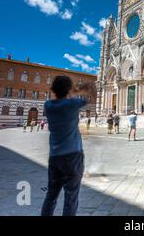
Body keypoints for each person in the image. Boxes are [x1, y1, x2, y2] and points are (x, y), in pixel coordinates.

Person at [41, 75, 96, 216]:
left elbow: (60, 99)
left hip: (54, 157)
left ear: (53, 89)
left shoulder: (48, 106)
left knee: (51, 196)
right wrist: (76, 90)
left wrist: (69, 92)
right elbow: (91, 94)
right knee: (71, 197)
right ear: (68, 90)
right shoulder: (72, 104)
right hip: (73, 156)